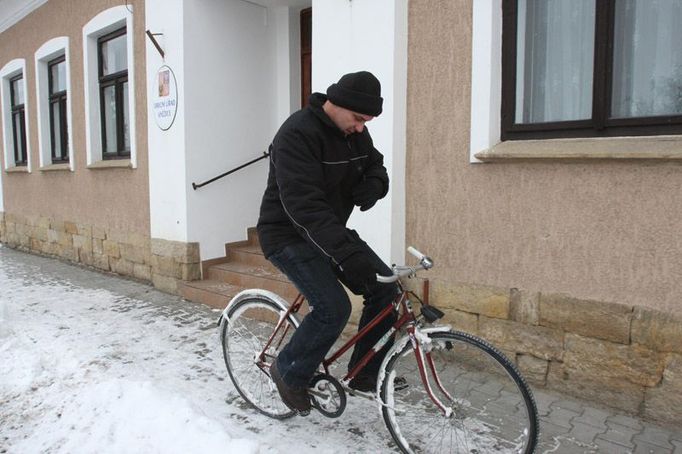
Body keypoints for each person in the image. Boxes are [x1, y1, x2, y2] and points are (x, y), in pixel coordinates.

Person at [256, 71, 399, 414]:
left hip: (327, 231)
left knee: (385, 289)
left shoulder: (354, 135)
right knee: (334, 308)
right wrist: (347, 254)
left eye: (368, 121)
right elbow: (304, 208)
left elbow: (376, 165)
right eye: (359, 118)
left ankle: (366, 373)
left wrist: (375, 185)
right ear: (337, 104)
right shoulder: (296, 135)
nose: (362, 127)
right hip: (287, 234)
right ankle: (289, 371)